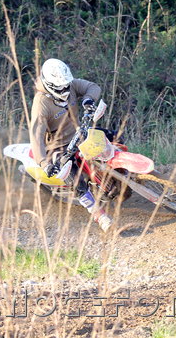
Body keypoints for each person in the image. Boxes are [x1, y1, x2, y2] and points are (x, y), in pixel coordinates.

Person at [29, 58, 112, 231]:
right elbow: (36, 136)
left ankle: (118, 177)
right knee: (74, 178)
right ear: (50, 84)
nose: (66, 89)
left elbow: (93, 87)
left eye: (67, 85)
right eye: (61, 87)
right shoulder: (41, 104)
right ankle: (98, 214)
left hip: (80, 133)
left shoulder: (70, 84)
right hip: (58, 146)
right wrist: (44, 163)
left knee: (113, 136)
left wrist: (88, 100)